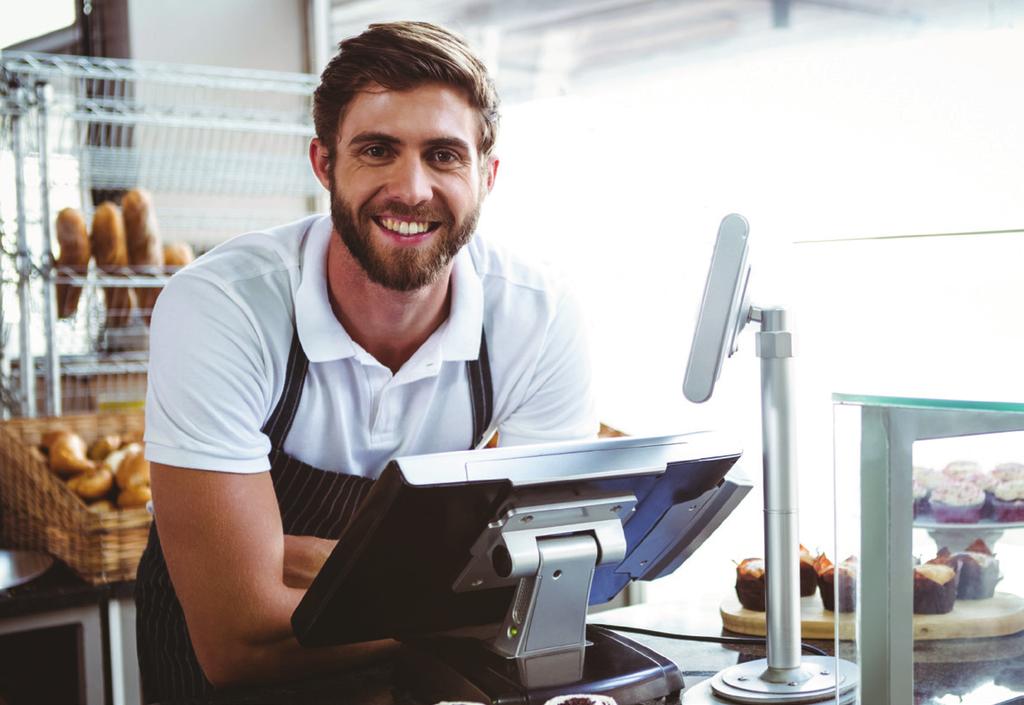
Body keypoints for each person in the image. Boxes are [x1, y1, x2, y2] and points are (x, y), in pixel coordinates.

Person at [134, 20, 598, 702]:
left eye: (444, 155)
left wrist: (289, 558)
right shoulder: (221, 307)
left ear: (486, 175)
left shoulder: (539, 318)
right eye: (378, 150)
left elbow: (550, 583)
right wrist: (461, 597)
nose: (411, 188)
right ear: (324, 164)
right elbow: (240, 638)